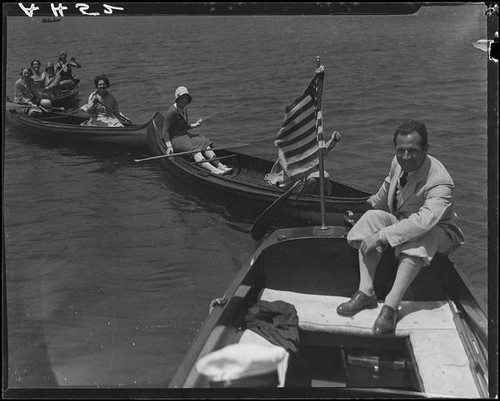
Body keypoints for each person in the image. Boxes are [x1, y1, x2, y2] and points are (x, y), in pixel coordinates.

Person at [336, 120, 465, 334]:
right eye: (401, 151)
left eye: (413, 151)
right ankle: (366, 292)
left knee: (421, 237)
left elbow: (424, 222)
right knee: (371, 218)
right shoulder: (398, 163)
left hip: (439, 231)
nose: (406, 157)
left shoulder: (441, 181)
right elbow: (386, 190)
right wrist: (364, 205)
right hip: (404, 220)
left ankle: (391, 307)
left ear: (425, 149)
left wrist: (381, 237)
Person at [162, 86, 232, 175]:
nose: (184, 101)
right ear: (177, 99)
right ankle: (213, 170)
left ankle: (220, 165)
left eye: (186, 98)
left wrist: (195, 124)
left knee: (203, 142)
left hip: (185, 135)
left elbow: (184, 126)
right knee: (195, 150)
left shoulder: (184, 109)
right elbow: (165, 131)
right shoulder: (171, 111)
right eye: (182, 98)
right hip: (176, 139)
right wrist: (169, 146)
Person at [264, 131, 341, 195]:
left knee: (324, 179)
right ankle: (303, 201)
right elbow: (279, 172)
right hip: (292, 186)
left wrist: (333, 140)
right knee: (313, 181)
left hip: (308, 179)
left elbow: (322, 151)